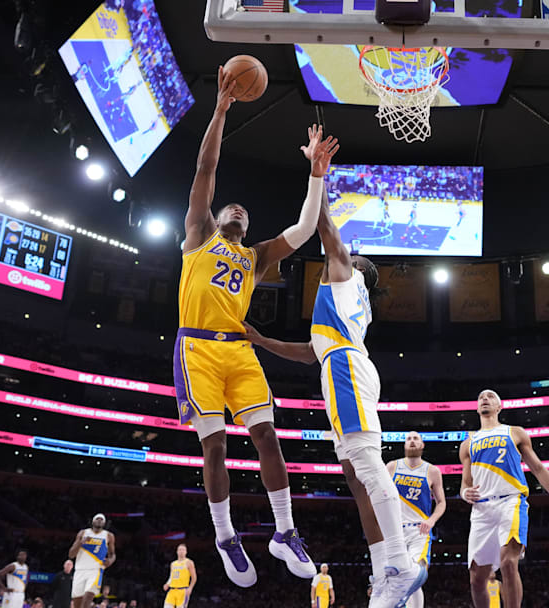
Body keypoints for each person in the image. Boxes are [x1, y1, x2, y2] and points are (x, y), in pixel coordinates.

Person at [174, 67, 337, 588]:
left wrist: (316, 174)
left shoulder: (257, 256)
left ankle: (284, 531)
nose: (238, 208)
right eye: (232, 207)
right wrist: (220, 111)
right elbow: (206, 167)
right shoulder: (199, 235)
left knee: (268, 436)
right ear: (218, 217)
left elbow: (307, 229)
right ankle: (225, 536)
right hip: (197, 350)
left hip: (240, 351)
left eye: (244, 210)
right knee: (216, 446)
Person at [244, 185, 425, 608]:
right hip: (338, 367)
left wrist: (317, 178)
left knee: (364, 463)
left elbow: (326, 230)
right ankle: (384, 571)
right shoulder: (345, 300)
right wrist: (262, 340)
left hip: (345, 370)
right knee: (354, 475)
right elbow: (311, 352)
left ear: (355, 265)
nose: (336, 255)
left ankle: (400, 565)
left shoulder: (347, 274)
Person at [460, 390, 549, 608]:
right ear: (477, 408)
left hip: (511, 502)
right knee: (477, 579)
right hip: (481, 510)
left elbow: (538, 468)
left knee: (508, 562)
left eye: (490, 396)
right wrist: (463, 493)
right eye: (480, 397)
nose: (485, 398)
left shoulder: (514, 433)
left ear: (499, 406)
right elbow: (465, 483)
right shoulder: (468, 443)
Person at [387, 432, 446, 608]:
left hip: (419, 530)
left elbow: (442, 503)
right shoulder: (392, 466)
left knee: (415, 574)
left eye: (416, 439)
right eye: (409, 439)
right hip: (395, 531)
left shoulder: (432, 471)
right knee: (396, 577)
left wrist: (432, 520)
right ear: (404, 445)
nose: (412, 441)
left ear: (422, 445)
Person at [69, 515, 116, 608]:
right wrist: (80, 542)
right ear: (92, 521)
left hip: (96, 570)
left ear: (105, 523)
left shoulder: (108, 535)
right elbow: (71, 555)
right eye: (97, 518)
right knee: (77, 603)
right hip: (80, 570)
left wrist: (110, 561)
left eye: (102, 519)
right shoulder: (83, 533)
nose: (99, 520)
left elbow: (112, 554)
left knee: (88, 596)